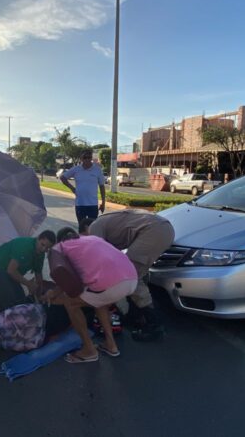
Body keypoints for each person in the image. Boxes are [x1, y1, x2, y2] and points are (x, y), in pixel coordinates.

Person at [81, 209, 175, 341]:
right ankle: (135, 316)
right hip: (163, 228)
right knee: (136, 273)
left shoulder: (94, 228)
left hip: (153, 230)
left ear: (85, 230)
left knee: (130, 275)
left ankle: (155, 324)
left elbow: (98, 260)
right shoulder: (106, 222)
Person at [46, 229, 138, 363]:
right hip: (131, 278)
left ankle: (89, 350)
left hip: (110, 284)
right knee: (99, 301)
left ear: (60, 240)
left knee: (70, 302)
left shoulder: (60, 247)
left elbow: (65, 276)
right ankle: (111, 345)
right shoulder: (92, 239)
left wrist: (52, 293)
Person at [0, 231, 56, 317]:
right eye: (42, 245)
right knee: (9, 298)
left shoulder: (40, 254)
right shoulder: (25, 246)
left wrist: (39, 296)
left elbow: (39, 276)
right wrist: (29, 284)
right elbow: (11, 270)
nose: (44, 249)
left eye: (47, 248)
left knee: (20, 301)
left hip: (6, 275)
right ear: (38, 238)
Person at [60, 149, 106, 226]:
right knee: (82, 229)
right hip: (80, 205)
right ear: (81, 158)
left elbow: (102, 186)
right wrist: (72, 188)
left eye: (89, 157)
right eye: (85, 157)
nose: (87, 159)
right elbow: (63, 177)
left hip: (93, 205)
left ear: (91, 158)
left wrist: (103, 203)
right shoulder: (76, 169)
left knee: (92, 228)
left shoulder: (97, 170)